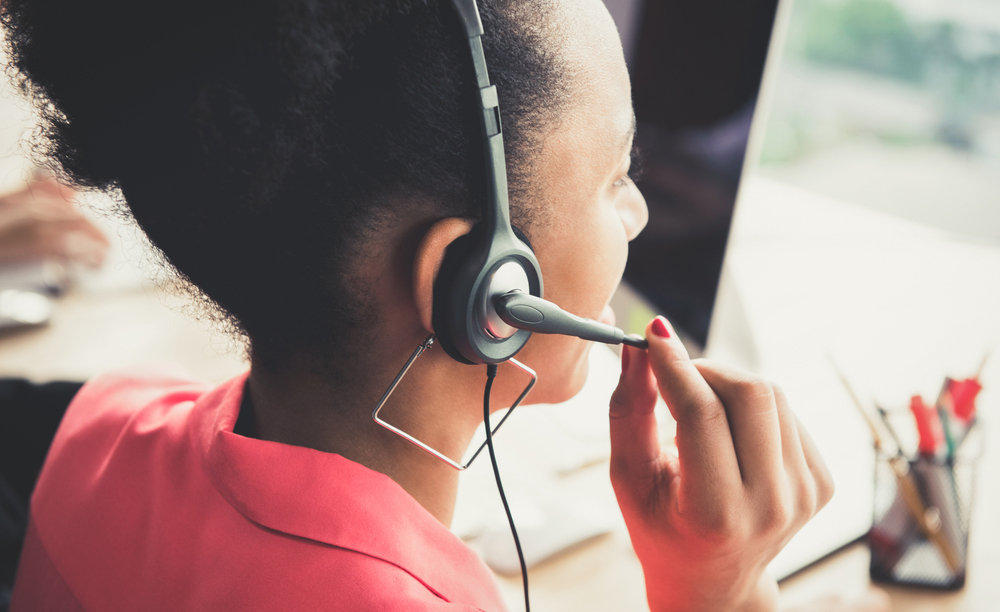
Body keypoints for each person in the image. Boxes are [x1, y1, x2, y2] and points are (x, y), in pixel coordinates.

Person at [1, 0, 887, 610]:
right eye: (618, 174)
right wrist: (721, 593)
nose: (640, 211)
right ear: (481, 281)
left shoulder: (94, 438)